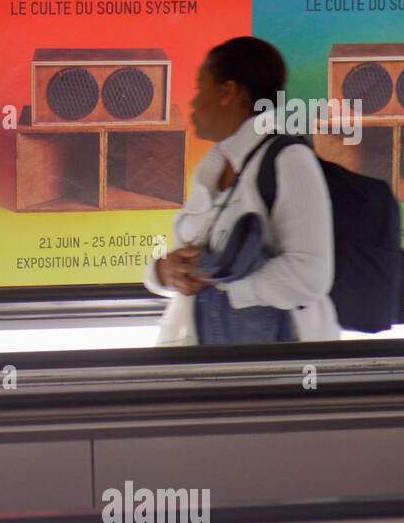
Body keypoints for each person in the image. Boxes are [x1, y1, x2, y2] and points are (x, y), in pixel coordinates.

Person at [143, 36, 340, 344]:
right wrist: (163, 272)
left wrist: (219, 281)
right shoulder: (214, 165)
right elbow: (190, 257)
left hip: (273, 374)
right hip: (208, 364)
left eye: (199, 88)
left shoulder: (289, 161)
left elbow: (310, 276)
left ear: (227, 92)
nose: (193, 103)